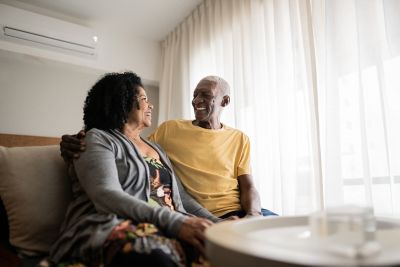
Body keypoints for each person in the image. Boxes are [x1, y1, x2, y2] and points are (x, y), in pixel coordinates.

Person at [50, 72, 220, 267]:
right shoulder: (96, 139)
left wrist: (217, 224)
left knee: (222, 252)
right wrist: (175, 223)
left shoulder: (157, 148)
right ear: (122, 102)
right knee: (157, 257)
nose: (151, 105)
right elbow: (106, 194)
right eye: (144, 99)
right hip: (113, 225)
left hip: (169, 226)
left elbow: (183, 198)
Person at [60, 76, 276, 219]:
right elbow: (126, 143)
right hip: (196, 215)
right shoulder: (169, 129)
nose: (196, 100)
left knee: (282, 232)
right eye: (195, 94)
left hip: (235, 212)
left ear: (225, 101)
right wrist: (79, 137)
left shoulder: (239, 139)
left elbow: (248, 186)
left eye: (206, 95)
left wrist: (253, 214)